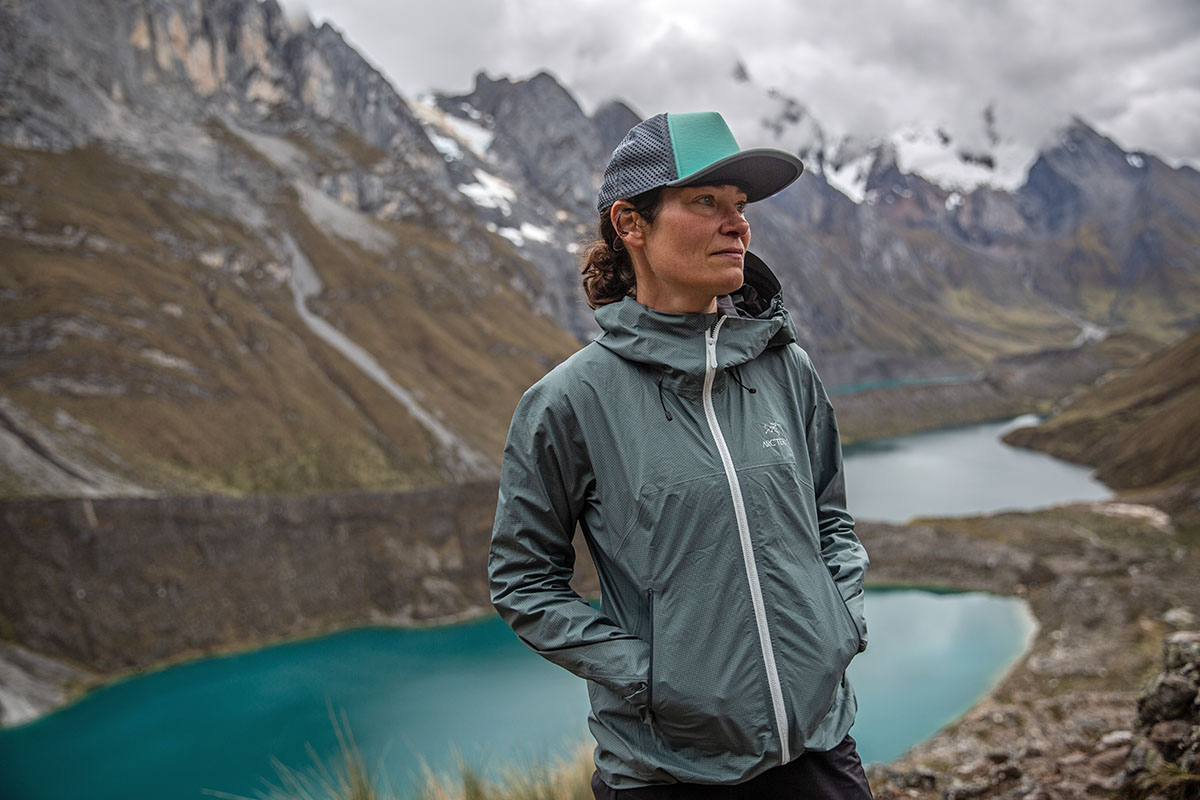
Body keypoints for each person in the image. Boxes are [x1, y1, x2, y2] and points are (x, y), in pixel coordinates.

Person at [488, 111, 872, 799]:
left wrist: (837, 622)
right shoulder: (569, 401)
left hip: (818, 751)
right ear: (631, 225)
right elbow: (523, 580)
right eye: (706, 203)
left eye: (740, 206)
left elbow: (832, 523)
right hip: (667, 773)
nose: (738, 225)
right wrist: (652, 678)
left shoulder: (788, 371)